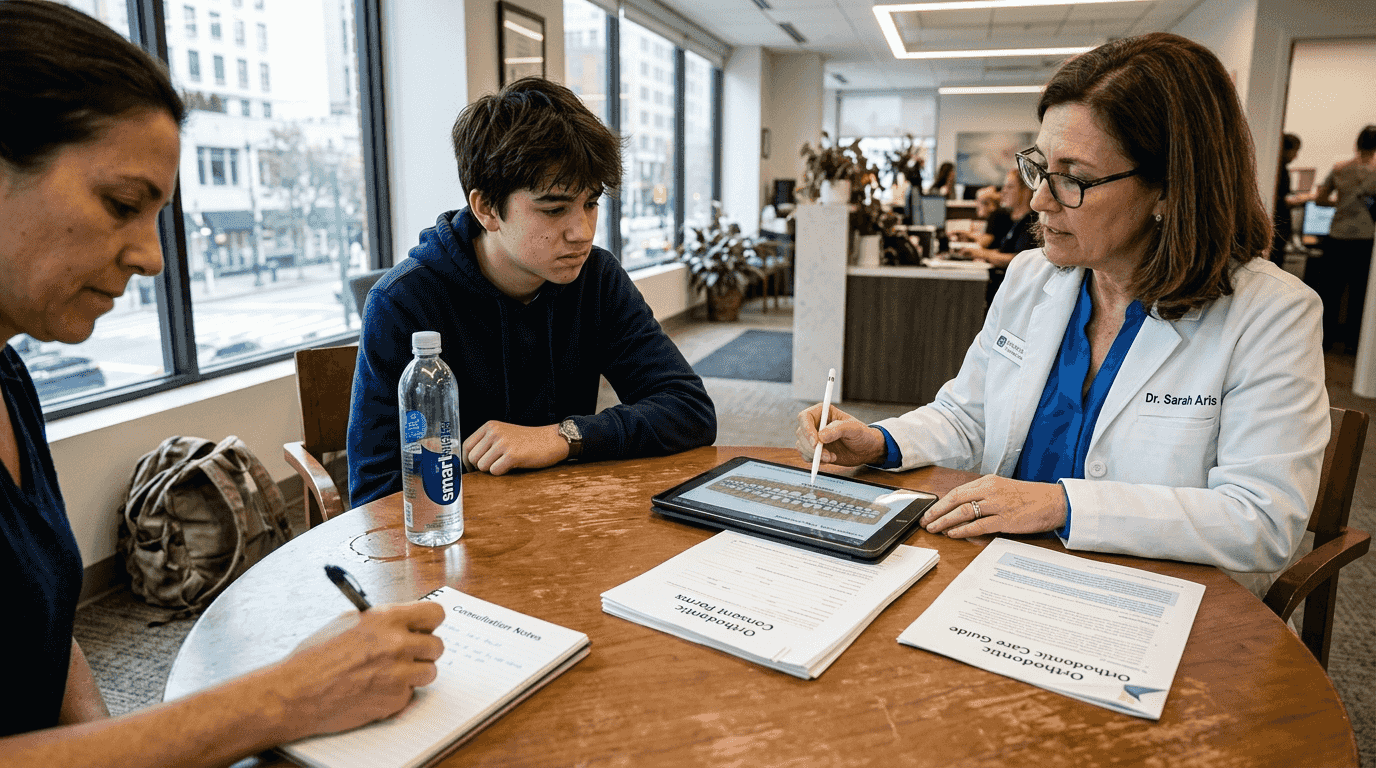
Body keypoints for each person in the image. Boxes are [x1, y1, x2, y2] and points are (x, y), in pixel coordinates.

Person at [0, 2, 445, 764]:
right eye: (121, 204)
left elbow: (41, 633)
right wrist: (285, 696)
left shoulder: (11, 379)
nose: (151, 258)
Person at [795, 32, 1329, 598]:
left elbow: (1261, 520)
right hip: (1001, 573)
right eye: (1039, 168)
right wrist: (880, 442)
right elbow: (969, 416)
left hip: (1150, 597)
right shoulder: (1032, 277)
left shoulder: (1271, 314)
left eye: (1073, 178)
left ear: (1170, 189)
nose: (1039, 200)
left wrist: (1062, 504)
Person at [347, 77, 716, 506]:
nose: (582, 232)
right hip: (460, 528)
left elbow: (690, 410)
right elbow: (376, 492)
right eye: (555, 208)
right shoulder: (403, 302)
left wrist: (563, 437)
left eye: (591, 203)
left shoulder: (596, 278)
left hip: (566, 518)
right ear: (487, 208)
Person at [1312, 125, 1376, 351]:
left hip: (1337, 235)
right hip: (1364, 238)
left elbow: (1319, 200)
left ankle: (1325, 340)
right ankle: (1352, 344)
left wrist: (1340, 204)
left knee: (1330, 291)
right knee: (1359, 294)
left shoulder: (1340, 168)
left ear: (1358, 142)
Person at [966, 169, 1037, 307]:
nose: (1003, 192)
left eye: (1010, 187)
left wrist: (982, 254)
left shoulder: (1031, 223)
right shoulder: (1016, 221)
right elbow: (1004, 252)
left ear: (1026, 190)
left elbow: (1017, 259)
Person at [1269, 133, 1306, 268]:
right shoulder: (1276, 170)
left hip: (1280, 229)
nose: (1296, 156)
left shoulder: (1280, 169)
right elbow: (1277, 200)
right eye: (1295, 151)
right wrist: (1300, 199)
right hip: (1277, 227)